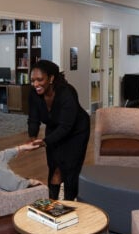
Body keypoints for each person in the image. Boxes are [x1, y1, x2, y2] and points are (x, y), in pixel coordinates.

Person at [27, 59, 91, 200]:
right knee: (54, 166)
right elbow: (33, 118)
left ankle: (69, 202)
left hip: (76, 131)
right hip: (54, 128)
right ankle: (53, 202)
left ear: (51, 78)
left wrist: (45, 141)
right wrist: (33, 137)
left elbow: (66, 127)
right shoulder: (34, 93)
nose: (35, 84)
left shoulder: (67, 92)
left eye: (39, 80)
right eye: (32, 80)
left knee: (70, 169)